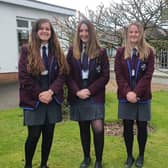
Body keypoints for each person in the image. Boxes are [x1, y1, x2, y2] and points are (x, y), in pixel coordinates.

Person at [18, 18, 69, 168]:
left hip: (52, 100)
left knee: (48, 135)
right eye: (42, 28)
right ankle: (28, 165)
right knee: (33, 136)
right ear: (36, 31)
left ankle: (44, 164)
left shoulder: (57, 50)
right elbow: (24, 76)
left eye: (48, 29)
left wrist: (51, 92)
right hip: (34, 100)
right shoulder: (26, 50)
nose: (45, 31)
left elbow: (63, 74)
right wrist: (41, 94)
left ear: (51, 32)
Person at [66, 19, 109, 168]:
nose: (84, 34)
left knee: (98, 128)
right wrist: (77, 91)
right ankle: (86, 158)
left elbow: (105, 76)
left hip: (95, 95)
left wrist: (89, 90)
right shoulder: (72, 51)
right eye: (81, 31)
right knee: (83, 128)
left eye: (86, 31)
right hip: (78, 96)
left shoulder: (101, 52)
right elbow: (67, 75)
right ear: (78, 33)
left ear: (91, 32)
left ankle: (98, 160)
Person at [114, 22, 155, 168]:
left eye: (136, 32)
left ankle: (141, 155)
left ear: (141, 33)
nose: (133, 34)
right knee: (127, 126)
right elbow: (119, 75)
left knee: (142, 126)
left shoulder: (149, 52)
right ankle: (129, 156)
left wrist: (136, 93)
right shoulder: (120, 52)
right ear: (127, 34)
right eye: (131, 32)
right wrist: (128, 93)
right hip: (125, 97)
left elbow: (148, 75)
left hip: (142, 97)